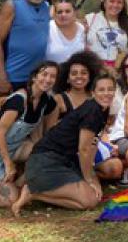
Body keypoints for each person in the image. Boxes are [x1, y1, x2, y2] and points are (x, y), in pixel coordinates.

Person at [12, 72, 118, 215]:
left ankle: (38, 189)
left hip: (64, 161)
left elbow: (93, 145)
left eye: (110, 89)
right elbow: (84, 150)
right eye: (101, 90)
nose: (107, 93)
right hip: (47, 162)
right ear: (93, 93)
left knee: (94, 196)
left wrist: (92, 179)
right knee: (90, 200)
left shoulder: (102, 109)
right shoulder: (92, 110)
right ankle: (33, 193)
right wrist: (89, 180)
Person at [0, 61, 59, 208]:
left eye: (52, 76)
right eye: (44, 74)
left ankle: (15, 183)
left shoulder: (47, 101)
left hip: (14, 148)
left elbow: (41, 126)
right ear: (35, 77)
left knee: (43, 156)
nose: (48, 79)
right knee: (10, 201)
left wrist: (40, 150)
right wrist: (8, 163)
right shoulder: (18, 100)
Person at [0, 0, 51, 94]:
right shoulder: (12, 6)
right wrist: (2, 77)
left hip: (38, 79)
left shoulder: (47, 7)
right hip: (13, 78)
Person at [86, 0, 128, 67]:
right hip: (94, 67)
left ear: (123, 5)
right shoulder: (90, 19)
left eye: (119, 2)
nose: (115, 5)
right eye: (111, 1)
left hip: (117, 69)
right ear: (105, 2)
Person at [51, 51, 101, 122]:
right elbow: (49, 130)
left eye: (83, 73)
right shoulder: (58, 100)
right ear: (67, 78)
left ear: (90, 77)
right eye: (74, 73)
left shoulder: (96, 99)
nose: (79, 76)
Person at [45, 0, 87, 64]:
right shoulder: (47, 28)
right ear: (54, 14)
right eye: (59, 12)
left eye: (67, 11)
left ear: (74, 12)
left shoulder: (82, 29)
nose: (63, 15)